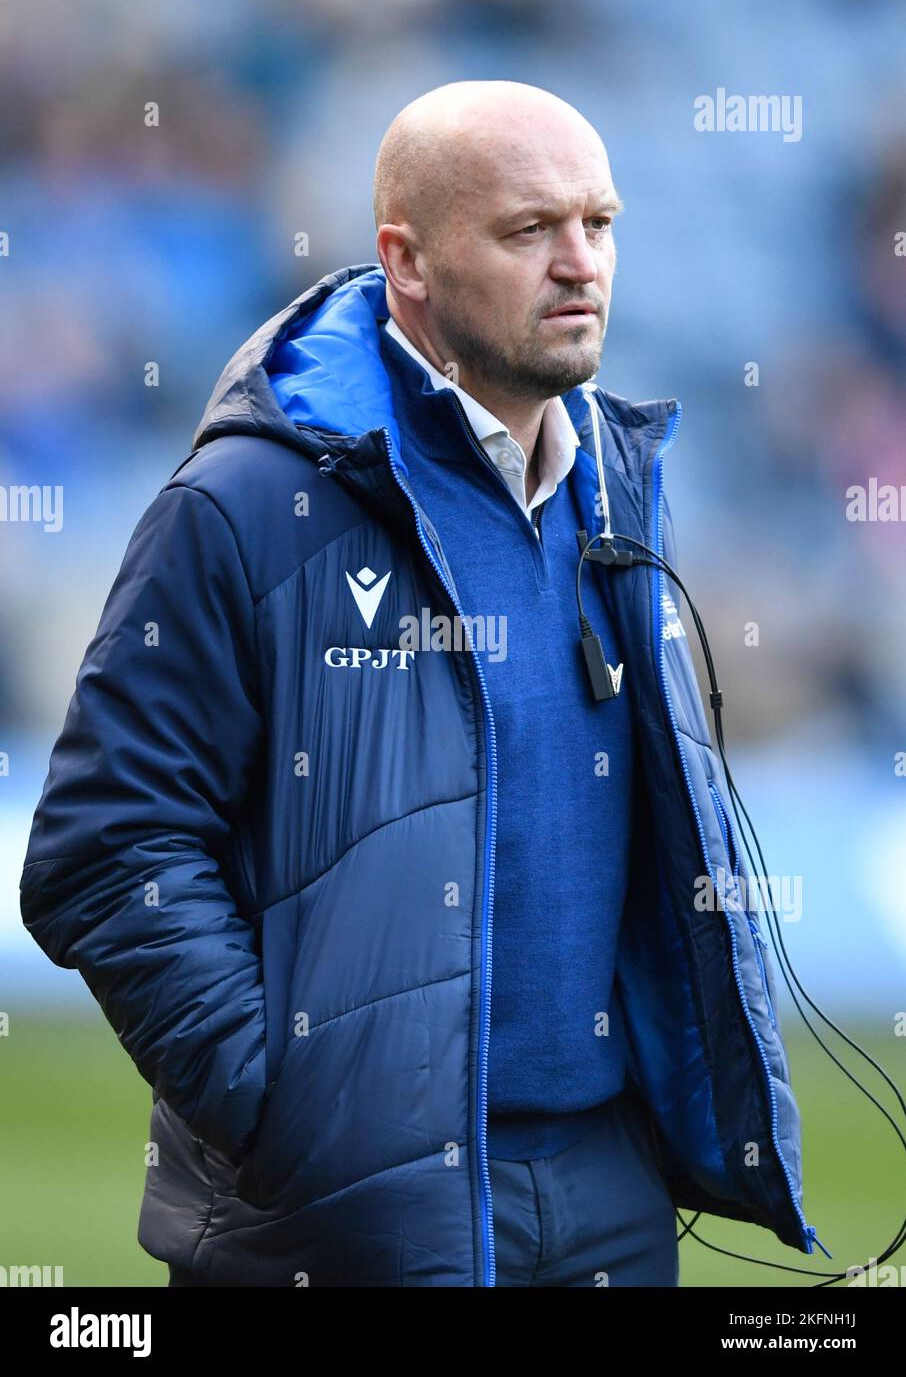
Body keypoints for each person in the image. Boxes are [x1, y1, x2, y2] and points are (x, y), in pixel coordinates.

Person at [20, 80, 820, 1288]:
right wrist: (288, 1105)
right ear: (407, 259)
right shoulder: (243, 505)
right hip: (350, 1205)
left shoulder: (622, 484)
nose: (579, 264)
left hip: (610, 1194)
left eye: (599, 225)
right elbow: (104, 846)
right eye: (528, 230)